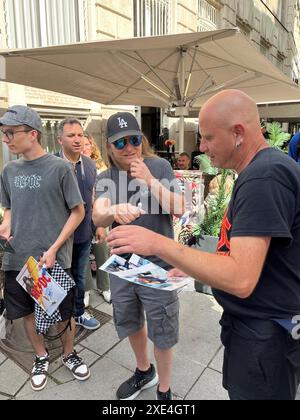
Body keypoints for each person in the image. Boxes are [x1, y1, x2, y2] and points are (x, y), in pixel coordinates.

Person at [106, 90, 300, 400]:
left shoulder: (265, 177)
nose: (201, 147)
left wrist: (158, 244)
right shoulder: (260, 171)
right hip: (259, 334)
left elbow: (240, 278)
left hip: (266, 340)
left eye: (207, 138)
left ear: (238, 133)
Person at [92, 112, 185, 400]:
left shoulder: (158, 165)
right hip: (122, 264)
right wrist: (112, 211)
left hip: (158, 263)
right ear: (109, 147)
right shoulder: (106, 176)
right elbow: (97, 215)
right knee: (130, 320)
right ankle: (144, 370)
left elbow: (180, 207)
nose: (129, 147)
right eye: (121, 143)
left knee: (163, 328)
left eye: (134, 140)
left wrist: (150, 180)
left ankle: (165, 388)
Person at [0, 105, 91, 391]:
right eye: (4, 133)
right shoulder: (9, 170)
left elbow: (78, 212)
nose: (6, 138)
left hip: (50, 260)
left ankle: (68, 353)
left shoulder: (60, 168)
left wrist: (54, 248)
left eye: (11, 133)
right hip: (18, 259)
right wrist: (6, 223)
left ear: (33, 134)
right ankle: (40, 355)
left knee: (63, 313)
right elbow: (9, 206)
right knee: (26, 312)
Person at [56, 119, 100, 330]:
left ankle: (79, 313)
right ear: (59, 140)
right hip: (58, 236)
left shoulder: (90, 164)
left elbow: (93, 198)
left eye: (80, 135)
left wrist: (98, 225)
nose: (77, 139)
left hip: (83, 233)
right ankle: (59, 317)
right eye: (71, 135)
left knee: (79, 276)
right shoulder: (51, 164)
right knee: (59, 277)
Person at [82, 133, 111, 304]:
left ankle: (105, 286)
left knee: (102, 251)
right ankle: (86, 289)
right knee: (83, 252)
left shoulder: (101, 169)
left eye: (88, 144)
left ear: (92, 147)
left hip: (99, 215)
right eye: (82, 144)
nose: (84, 147)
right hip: (80, 217)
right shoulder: (72, 167)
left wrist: (101, 224)